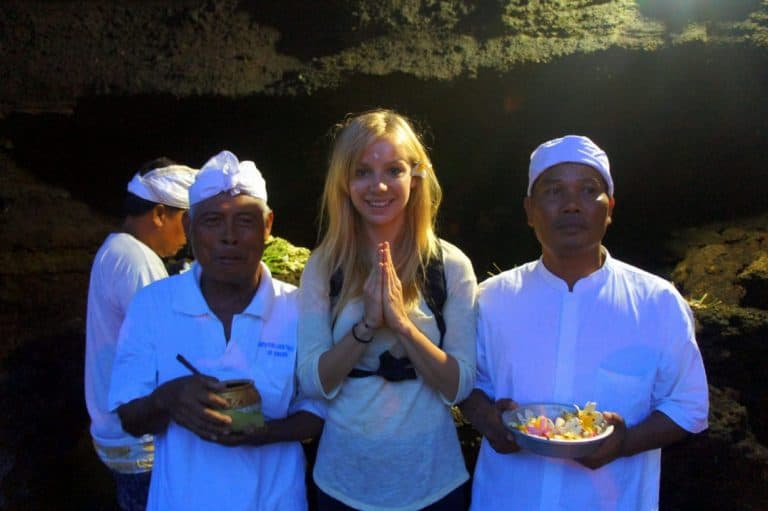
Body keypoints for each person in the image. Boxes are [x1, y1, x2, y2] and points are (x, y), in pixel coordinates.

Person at [459, 135, 709, 510]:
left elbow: (689, 406)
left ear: (609, 208)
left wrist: (625, 442)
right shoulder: (491, 298)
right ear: (529, 210)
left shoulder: (656, 303)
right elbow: (464, 382)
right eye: (554, 190)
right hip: (508, 497)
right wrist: (487, 419)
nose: (572, 205)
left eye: (589, 190)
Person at [108, 150, 325, 511]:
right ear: (190, 226)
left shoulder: (299, 309)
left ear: (268, 225)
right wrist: (169, 398)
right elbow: (129, 418)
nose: (229, 237)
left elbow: (320, 411)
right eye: (212, 221)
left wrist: (262, 434)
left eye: (245, 220)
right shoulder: (154, 306)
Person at [297, 109, 477, 510]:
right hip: (343, 484)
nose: (378, 186)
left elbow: (458, 385)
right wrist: (366, 327)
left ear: (415, 176)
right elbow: (313, 381)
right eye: (362, 171)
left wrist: (402, 324)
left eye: (393, 170)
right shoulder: (325, 266)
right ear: (344, 181)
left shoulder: (449, 266)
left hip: (434, 484)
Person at [85, 157, 198, 511]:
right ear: (160, 214)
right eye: (186, 220)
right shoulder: (136, 260)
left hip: (114, 428)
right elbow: (170, 347)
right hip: (136, 438)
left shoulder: (116, 248)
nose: (190, 234)